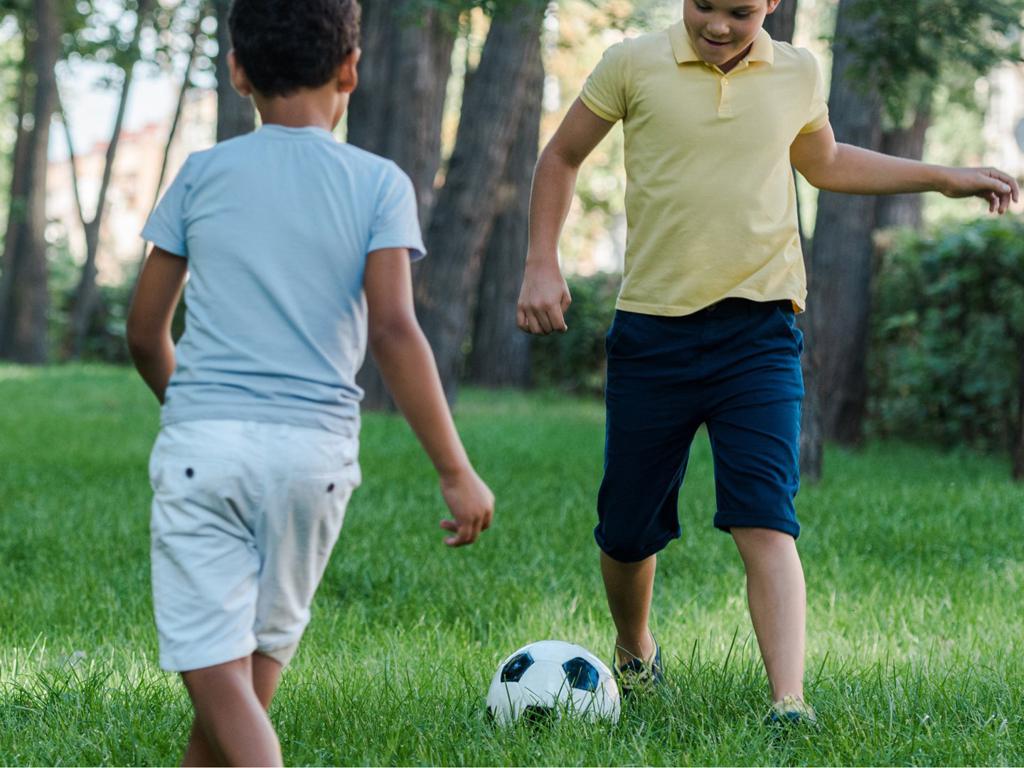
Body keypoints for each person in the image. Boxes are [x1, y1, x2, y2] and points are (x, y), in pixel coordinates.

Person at [516, 0, 1018, 724]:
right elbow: (560, 157)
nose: (718, 24)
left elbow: (827, 162)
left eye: (741, 11)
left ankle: (790, 702)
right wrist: (540, 262)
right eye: (705, 5)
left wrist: (942, 177)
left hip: (759, 331)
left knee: (766, 517)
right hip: (652, 331)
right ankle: (634, 648)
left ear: (773, 3)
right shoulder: (632, 61)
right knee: (627, 527)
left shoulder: (797, 72)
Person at [127, 0, 494, 763]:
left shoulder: (200, 175)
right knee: (242, 689)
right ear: (350, 70)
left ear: (237, 73)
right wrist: (455, 471)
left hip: (205, 451)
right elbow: (395, 330)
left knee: (219, 683)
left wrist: (193, 408)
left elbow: (143, 330)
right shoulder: (379, 183)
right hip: (314, 463)